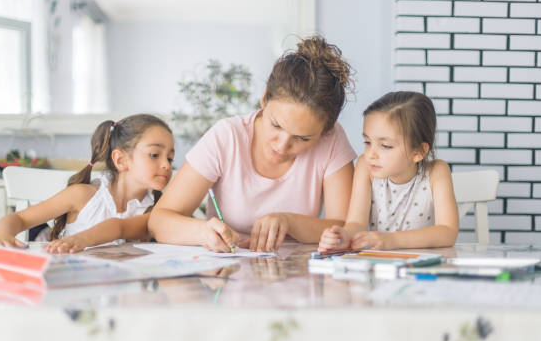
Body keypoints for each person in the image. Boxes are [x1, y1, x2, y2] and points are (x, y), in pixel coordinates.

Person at [150, 35, 357, 253]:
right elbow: (159, 222)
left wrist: (290, 222)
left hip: (298, 277)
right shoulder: (227, 137)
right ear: (264, 98)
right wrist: (202, 232)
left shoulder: (333, 140)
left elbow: (343, 227)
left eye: (302, 138)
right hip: (228, 275)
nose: (282, 145)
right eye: (276, 125)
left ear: (325, 130)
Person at [0, 114, 174, 253]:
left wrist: (81, 240)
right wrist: (2, 234)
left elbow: (118, 227)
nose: (166, 165)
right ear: (121, 160)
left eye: (171, 158)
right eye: (155, 155)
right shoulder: (82, 195)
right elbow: (19, 219)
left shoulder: (155, 210)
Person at [318, 91, 459, 252]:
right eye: (367, 142)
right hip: (381, 266)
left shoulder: (436, 172)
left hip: (420, 267)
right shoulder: (365, 167)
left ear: (418, 152)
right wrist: (343, 236)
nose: (371, 154)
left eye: (385, 146)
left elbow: (447, 232)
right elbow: (357, 223)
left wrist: (393, 240)